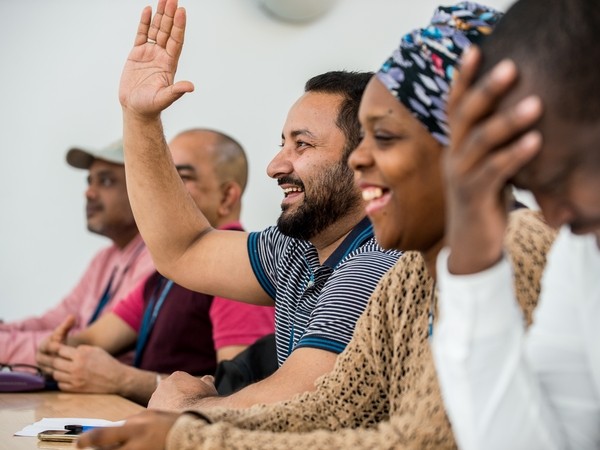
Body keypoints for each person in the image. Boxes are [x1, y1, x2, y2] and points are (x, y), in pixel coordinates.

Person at [77, 3, 556, 449]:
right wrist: (139, 116)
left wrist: (187, 427)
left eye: (384, 137)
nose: (363, 158)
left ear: (460, 149)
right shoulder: (406, 273)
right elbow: (327, 404)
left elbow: (412, 439)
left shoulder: (450, 254)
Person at [108, 0, 401, 413]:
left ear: (366, 158)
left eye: (302, 144)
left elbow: (299, 401)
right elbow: (184, 249)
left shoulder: (377, 259)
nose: (275, 166)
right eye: (281, 144)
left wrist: (189, 410)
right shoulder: (300, 247)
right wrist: (139, 117)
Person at [430, 0, 600, 449]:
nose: (552, 216)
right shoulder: (582, 252)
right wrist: (473, 259)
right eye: (530, 189)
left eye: (561, 179)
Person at [35, 128, 275, 405]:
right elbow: (92, 339)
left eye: (181, 177)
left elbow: (241, 391)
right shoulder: (164, 274)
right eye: (163, 175)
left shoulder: (238, 269)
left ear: (227, 197)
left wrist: (123, 380)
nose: (164, 187)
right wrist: (59, 350)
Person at [0, 140, 155, 366]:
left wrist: (6, 345)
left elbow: (85, 346)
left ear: (146, 191)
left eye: (106, 181)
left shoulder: (157, 259)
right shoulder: (104, 259)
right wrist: (6, 331)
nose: (89, 193)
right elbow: (55, 321)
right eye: (90, 181)